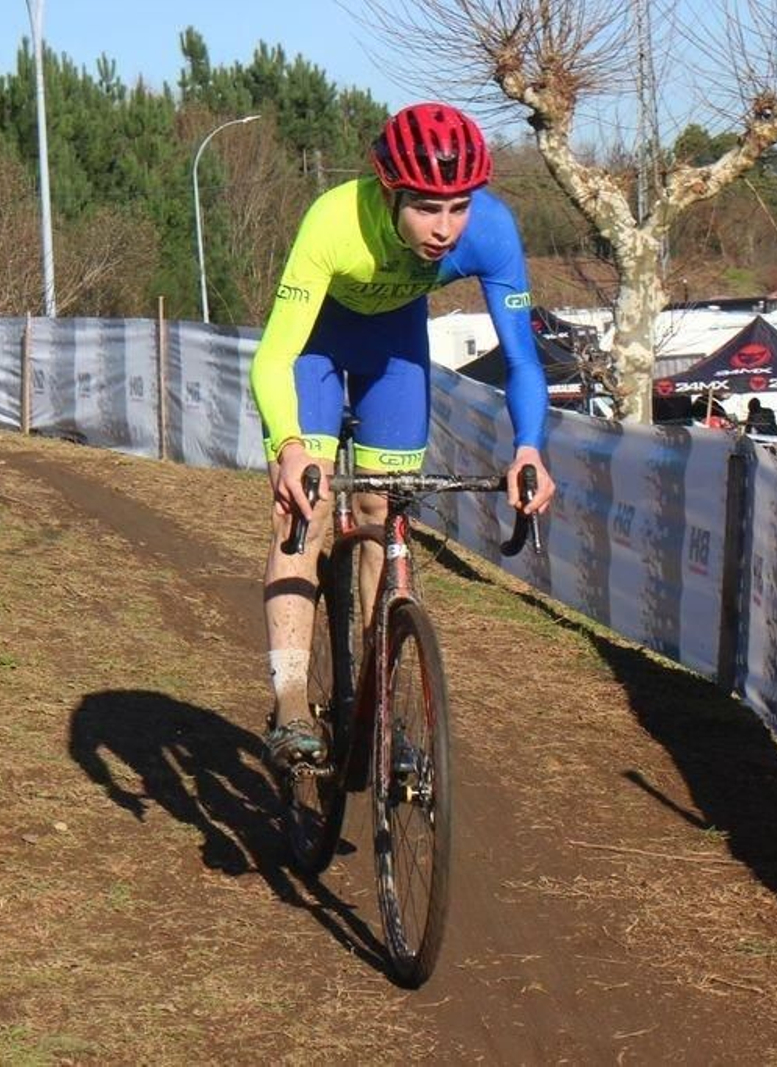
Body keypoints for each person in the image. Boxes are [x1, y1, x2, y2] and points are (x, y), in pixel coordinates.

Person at [250, 103, 556, 768]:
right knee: (305, 508)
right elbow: (273, 356)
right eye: (425, 208)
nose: (445, 229)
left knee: (381, 512)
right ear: (389, 191)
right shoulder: (333, 221)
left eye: (457, 207)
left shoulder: (493, 230)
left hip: (396, 348)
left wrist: (528, 446)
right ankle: (293, 706)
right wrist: (289, 448)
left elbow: (523, 361)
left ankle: (378, 710)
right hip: (317, 349)